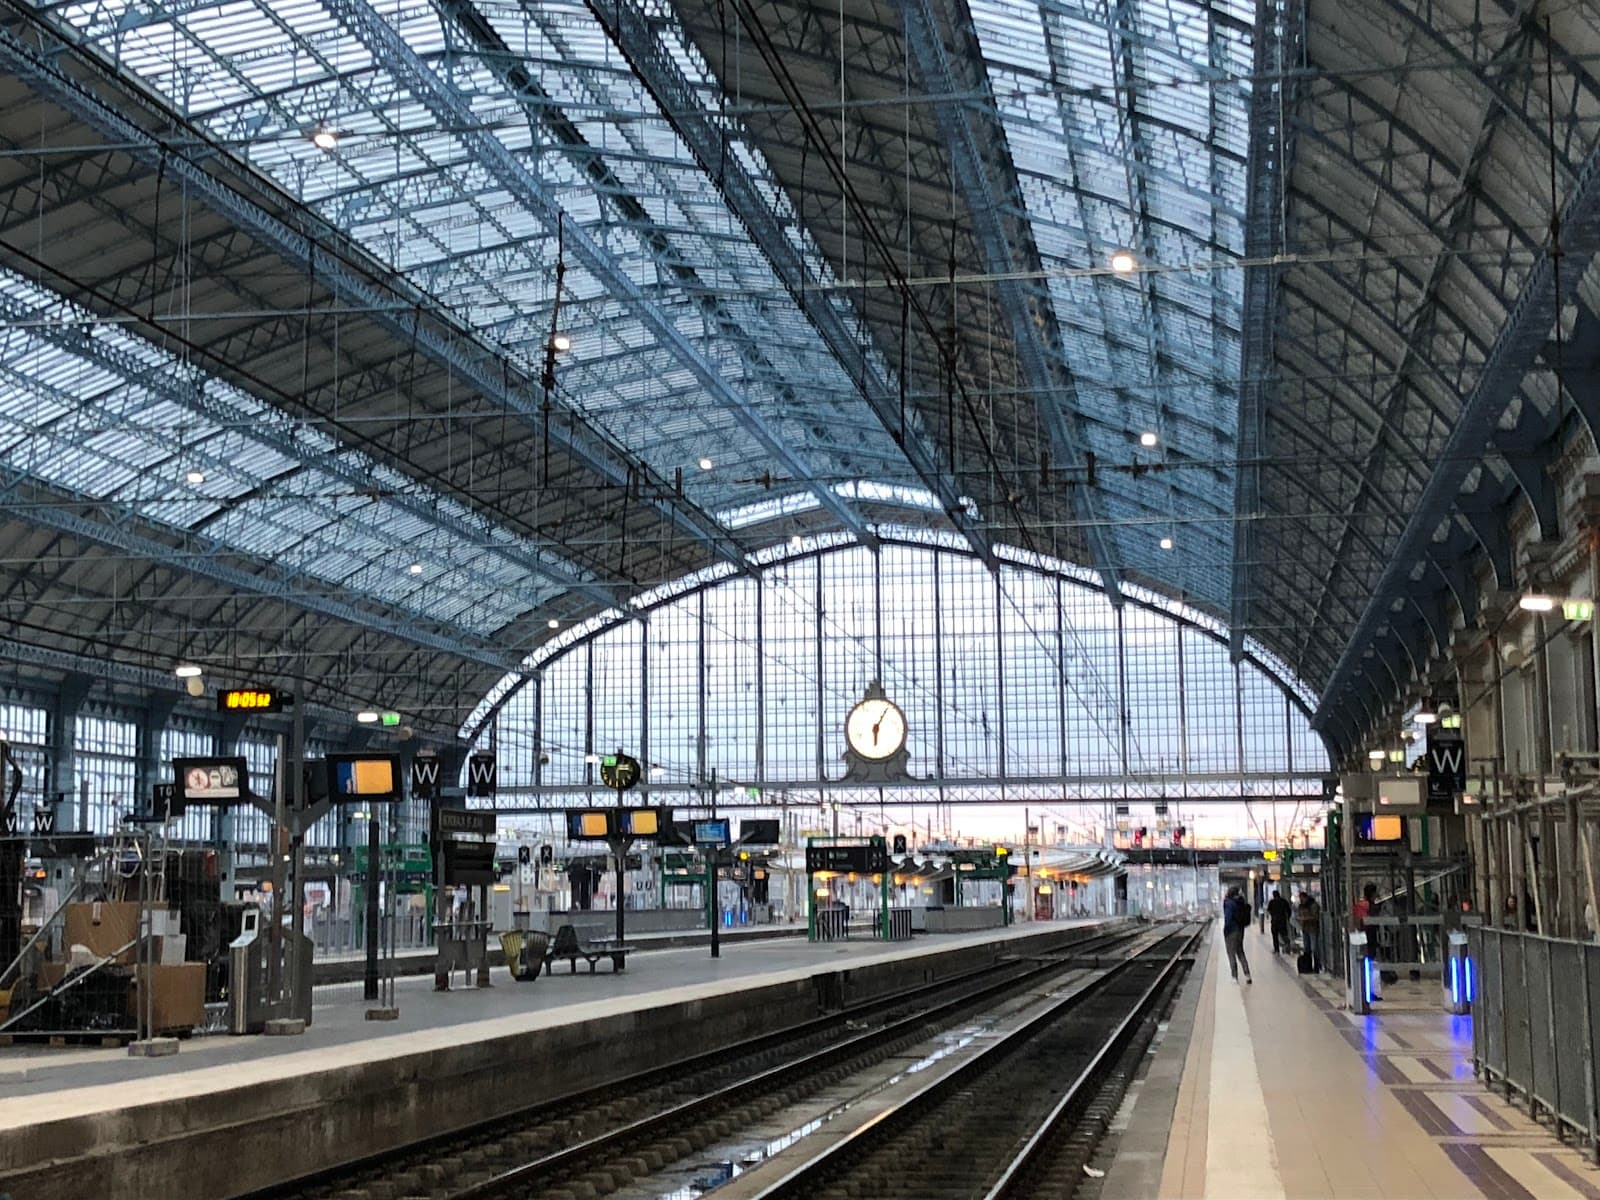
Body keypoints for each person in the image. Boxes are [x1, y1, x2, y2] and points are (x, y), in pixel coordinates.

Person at [1222, 885, 1253, 984]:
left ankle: (1234, 977)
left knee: (1231, 953)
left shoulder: (1228, 903)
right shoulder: (1241, 902)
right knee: (1240, 952)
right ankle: (1247, 975)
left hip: (1231, 931)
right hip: (1240, 930)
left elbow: (1228, 918)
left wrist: (1225, 930)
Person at [1296, 890, 1322, 972]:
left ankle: (1317, 966)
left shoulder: (1313, 905)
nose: (1301, 900)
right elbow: (1299, 915)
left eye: (1302, 898)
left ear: (1305, 897)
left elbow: (1315, 917)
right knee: (1307, 948)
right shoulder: (1301, 906)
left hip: (1313, 929)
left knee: (1314, 948)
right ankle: (1308, 966)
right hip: (1305, 929)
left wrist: (1305, 918)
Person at [1267, 888, 1292, 954]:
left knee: (1275, 936)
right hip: (1282, 921)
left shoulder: (1272, 902)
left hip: (1274, 921)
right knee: (1284, 934)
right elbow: (1289, 910)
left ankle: (1276, 949)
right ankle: (1287, 944)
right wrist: (1288, 917)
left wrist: (1273, 914)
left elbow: (1269, 910)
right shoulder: (1283, 901)